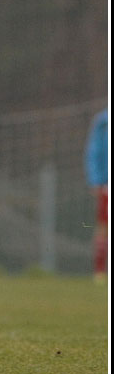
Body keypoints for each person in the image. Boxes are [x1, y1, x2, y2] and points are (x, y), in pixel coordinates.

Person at [84, 108, 108, 282]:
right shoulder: (103, 122)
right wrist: (95, 179)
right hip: (106, 183)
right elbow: (94, 151)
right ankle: (99, 271)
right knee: (103, 227)